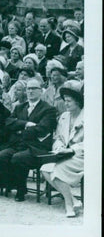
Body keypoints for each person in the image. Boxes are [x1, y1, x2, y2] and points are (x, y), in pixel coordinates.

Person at [0, 77, 57, 201]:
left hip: (36, 147)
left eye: (34, 88)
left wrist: (19, 128)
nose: (30, 91)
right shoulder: (19, 107)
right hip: (18, 145)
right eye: (28, 89)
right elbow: (8, 123)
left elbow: (42, 129)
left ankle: (21, 190)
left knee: (18, 158)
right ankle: (11, 184)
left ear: (41, 91)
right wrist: (26, 125)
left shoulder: (48, 109)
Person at [40, 80, 84, 217]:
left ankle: (68, 204)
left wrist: (72, 149)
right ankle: (74, 199)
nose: (66, 104)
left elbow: (92, 142)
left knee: (57, 171)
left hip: (81, 155)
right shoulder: (64, 116)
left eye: (69, 101)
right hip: (63, 154)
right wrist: (59, 147)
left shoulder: (88, 117)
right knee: (45, 168)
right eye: (65, 100)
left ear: (78, 101)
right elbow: (58, 137)